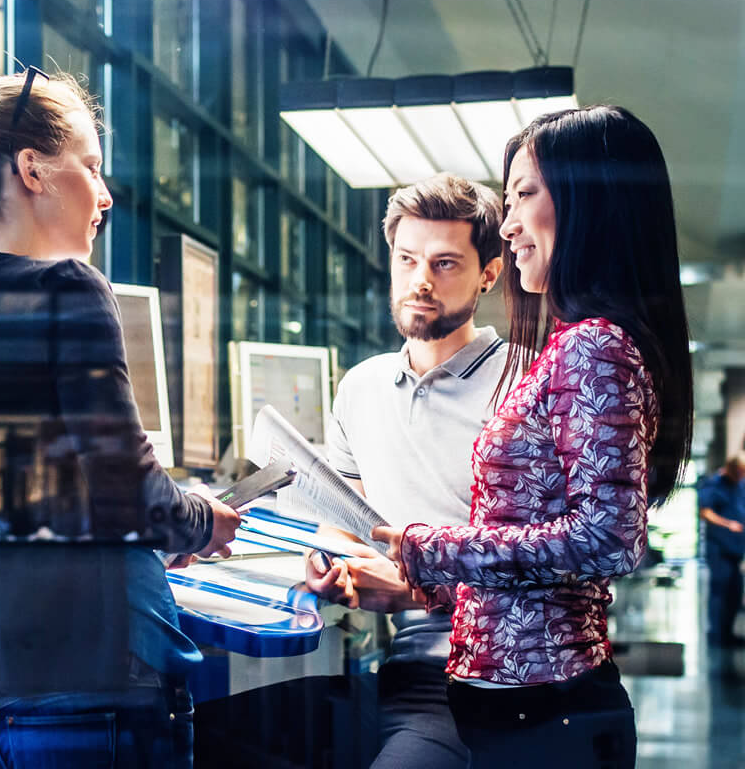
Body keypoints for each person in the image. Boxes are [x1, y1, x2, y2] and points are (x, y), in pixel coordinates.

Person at [0, 68, 241, 768]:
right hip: (97, 674)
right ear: (33, 170)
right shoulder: (67, 288)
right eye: (92, 167)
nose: (104, 195)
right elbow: (129, 492)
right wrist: (201, 518)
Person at [375, 105, 694, 768]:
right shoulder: (572, 346)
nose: (509, 224)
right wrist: (420, 574)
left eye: (525, 195)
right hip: (522, 710)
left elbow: (608, 538)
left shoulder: (594, 347)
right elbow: (539, 543)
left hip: (550, 715)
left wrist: (439, 550)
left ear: (587, 201)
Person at [304, 172, 505, 769]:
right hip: (414, 660)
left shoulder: (523, 387)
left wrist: (418, 586)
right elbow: (347, 524)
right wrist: (330, 564)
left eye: (445, 263)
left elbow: (553, 561)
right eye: (408, 258)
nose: (420, 280)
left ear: (487, 274)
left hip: (505, 661)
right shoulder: (360, 388)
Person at [699, 454, 745, 645]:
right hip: (719, 547)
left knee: (735, 590)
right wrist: (728, 524)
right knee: (720, 589)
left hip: (735, 548)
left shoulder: (739, 485)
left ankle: (728, 632)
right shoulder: (714, 483)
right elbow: (705, 512)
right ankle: (717, 633)